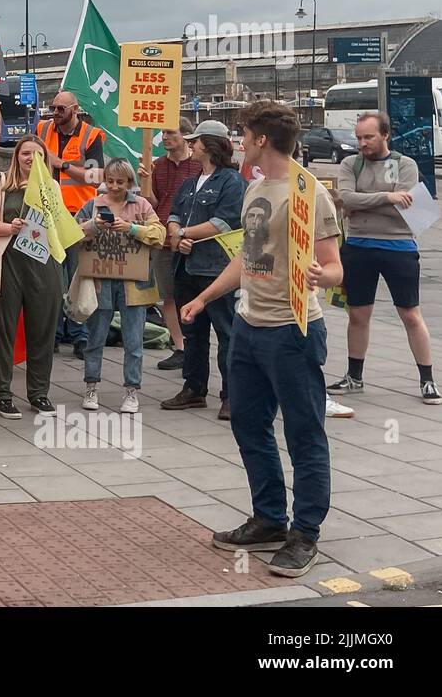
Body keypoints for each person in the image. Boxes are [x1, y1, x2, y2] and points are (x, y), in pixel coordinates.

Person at [181, 100, 342, 578]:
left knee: (303, 433)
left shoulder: (309, 193)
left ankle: (305, 531)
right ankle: (269, 518)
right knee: (248, 426)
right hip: (249, 328)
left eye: (243, 134)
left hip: (293, 330)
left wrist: (320, 275)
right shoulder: (254, 189)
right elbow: (245, 258)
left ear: (261, 139)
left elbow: (335, 267)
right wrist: (204, 297)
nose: (238, 141)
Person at [328, 112, 438, 404]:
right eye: (359, 137)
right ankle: (354, 376)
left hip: (398, 246)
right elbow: (347, 199)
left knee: (410, 314)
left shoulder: (406, 165)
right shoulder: (350, 163)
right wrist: (388, 197)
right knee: (358, 314)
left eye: (369, 137)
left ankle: (427, 379)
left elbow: (408, 206)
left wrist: (362, 203)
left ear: (385, 135)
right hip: (358, 246)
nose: (362, 143)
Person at [161, 120, 246, 420]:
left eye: (196, 140)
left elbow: (224, 224)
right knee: (193, 333)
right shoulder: (190, 182)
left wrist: (183, 234)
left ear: (209, 145)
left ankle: (232, 394)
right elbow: (173, 213)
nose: (191, 144)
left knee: (226, 333)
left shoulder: (232, 182)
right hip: (186, 268)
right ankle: (194, 388)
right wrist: (176, 234)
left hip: (217, 271)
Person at [0, 136, 64, 418]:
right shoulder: (0, 182)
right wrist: (9, 227)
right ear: (17, 156)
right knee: (3, 331)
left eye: (37, 154)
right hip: (10, 263)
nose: (31, 158)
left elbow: (60, 225)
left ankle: (39, 393)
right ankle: (2, 394)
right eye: (26, 153)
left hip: (44, 265)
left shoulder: (51, 186)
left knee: (42, 331)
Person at [75, 159, 165, 413]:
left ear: (129, 183)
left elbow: (159, 234)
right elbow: (71, 232)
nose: (114, 187)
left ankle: (131, 391)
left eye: (120, 182)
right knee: (96, 336)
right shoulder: (93, 205)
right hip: (100, 280)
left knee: (134, 340)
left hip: (134, 283)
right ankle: (91, 386)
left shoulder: (142, 205)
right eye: (111, 181)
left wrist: (132, 228)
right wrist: (93, 225)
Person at [36, 91, 105, 359]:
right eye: (53, 107)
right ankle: (51, 336)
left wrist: (62, 164)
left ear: (75, 109)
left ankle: (80, 336)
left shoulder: (91, 136)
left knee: (78, 278)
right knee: (51, 280)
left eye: (61, 108)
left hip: (78, 217)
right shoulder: (42, 129)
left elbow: (95, 176)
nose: (55, 112)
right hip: (48, 215)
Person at [138, 118, 201, 371]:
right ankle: (180, 347)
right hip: (163, 239)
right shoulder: (157, 166)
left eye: (170, 133)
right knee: (168, 295)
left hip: (193, 238)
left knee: (193, 293)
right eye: (162, 133)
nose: (164, 137)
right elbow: (152, 203)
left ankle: (196, 343)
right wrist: (145, 182)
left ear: (186, 136)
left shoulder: (197, 165)